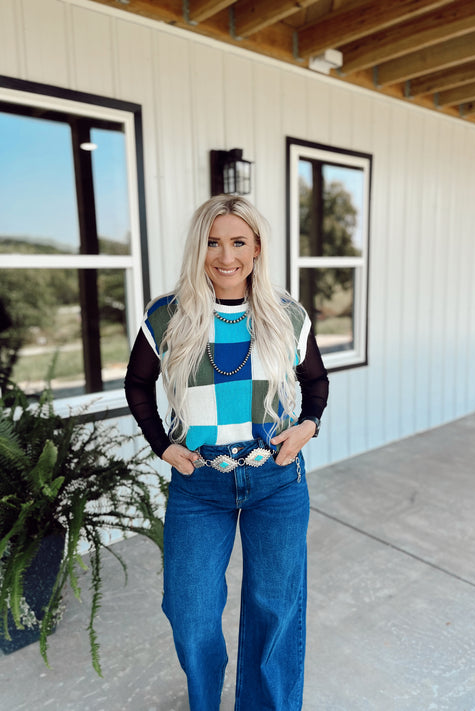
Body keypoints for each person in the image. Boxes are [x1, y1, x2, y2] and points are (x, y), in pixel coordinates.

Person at [124, 194, 328, 710]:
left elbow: (316, 381)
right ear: (199, 248)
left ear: (257, 247)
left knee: (275, 607)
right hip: (200, 485)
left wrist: (308, 426)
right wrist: (162, 446)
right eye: (213, 242)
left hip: (276, 481)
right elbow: (137, 384)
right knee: (190, 613)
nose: (225, 256)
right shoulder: (168, 315)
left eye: (238, 242)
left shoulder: (286, 315)